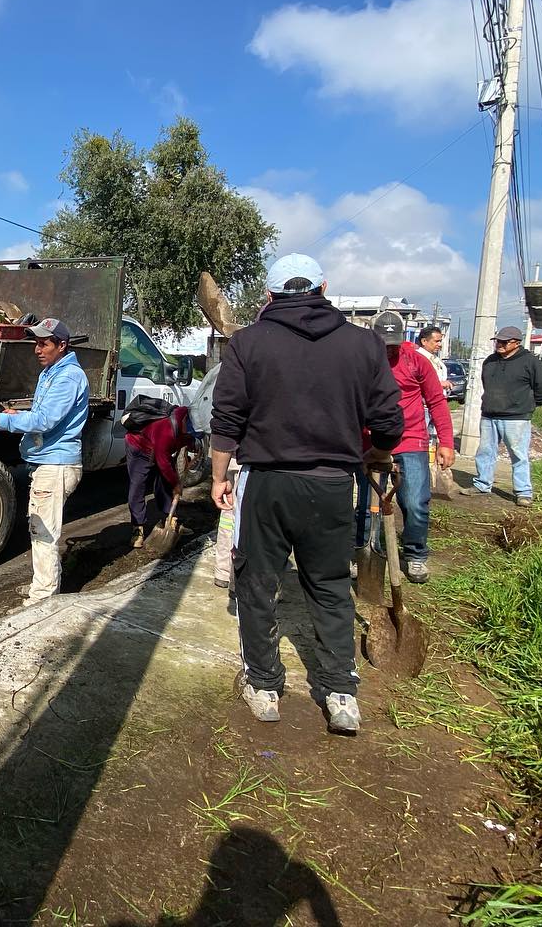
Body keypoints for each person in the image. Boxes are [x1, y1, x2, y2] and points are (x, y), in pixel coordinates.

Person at [211, 253, 402, 735]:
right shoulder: (364, 344)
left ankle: (266, 687)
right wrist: (375, 454)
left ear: (270, 296)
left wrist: (219, 477)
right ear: (323, 288)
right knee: (331, 585)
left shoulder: (247, 343)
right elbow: (388, 424)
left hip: (267, 483)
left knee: (256, 585)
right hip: (333, 484)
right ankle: (340, 694)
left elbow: (226, 420)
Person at [0, 318, 91, 604]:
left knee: (43, 533)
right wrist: (19, 416)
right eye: (36, 343)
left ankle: (41, 599)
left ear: (62, 345)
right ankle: (42, 585)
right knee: (40, 528)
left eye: (44, 343)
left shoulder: (67, 376)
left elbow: (46, 420)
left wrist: (3, 420)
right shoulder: (52, 372)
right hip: (49, 463)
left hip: (56, 466)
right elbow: (43, 412)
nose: (37, 349)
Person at [355, 312, 455, 583]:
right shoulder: (360, 363)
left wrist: (446, 442)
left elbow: (436, 402)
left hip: (410, 439)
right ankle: (364, 550)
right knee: (367, 505)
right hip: (370, 442)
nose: (388, 349)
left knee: (414, 502)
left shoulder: (416, 361)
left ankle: (415, 554)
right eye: (382, 343)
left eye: (393, 343)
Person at [459, 324, 542, 506]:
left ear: (516, 343)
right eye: (498, 341)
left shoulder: (530, 362)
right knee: (485, 452)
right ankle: (482, 484)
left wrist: (529, 405)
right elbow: (487, 383)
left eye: (504, 342)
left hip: (517, 417)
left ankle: (523, 492)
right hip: (489, 415)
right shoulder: (491, 361)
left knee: (518, 455)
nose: (499, 344)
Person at [125, 403, 193, 547]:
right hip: (139, 446)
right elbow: (163, 464)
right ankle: (138, 528)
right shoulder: (167, 429)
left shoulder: (190, 426)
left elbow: (191, 443)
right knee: (138, 485)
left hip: (160, 447)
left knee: (164, 483)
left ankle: (171, 520)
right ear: (185, 423)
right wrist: (177, 484)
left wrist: (194, 448)